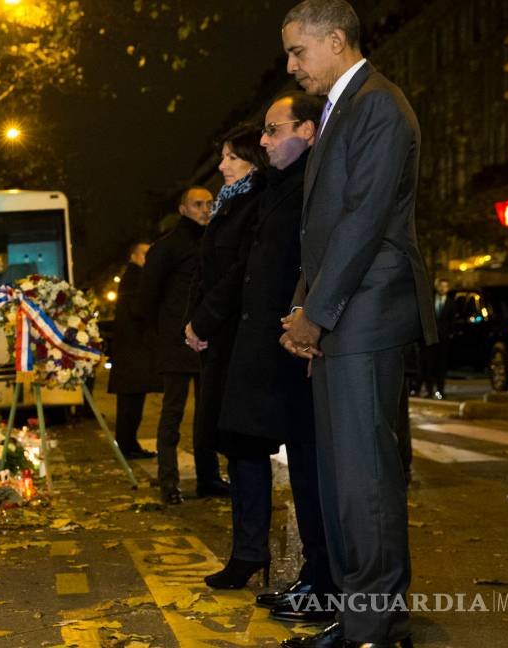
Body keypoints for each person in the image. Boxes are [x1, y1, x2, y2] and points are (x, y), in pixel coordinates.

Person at [278, 2, 437, 647]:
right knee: (342, 476)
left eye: (297, 52)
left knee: (365, 478)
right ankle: (360, 617)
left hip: (365, 314)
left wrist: (315, 314)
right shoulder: (347, 106)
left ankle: (375, 627)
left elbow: (363, 221)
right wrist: (303, 307)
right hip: (345, 313)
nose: (291, 66)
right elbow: (320, 229)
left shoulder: (377, 104)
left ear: (335, 41)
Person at [204, 94, 340, 620]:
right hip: (270, 349)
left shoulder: (313, 182)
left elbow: (316, 262)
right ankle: (312, 576)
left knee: (310, 471)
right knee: (293, 467)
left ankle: (324, 581)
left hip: (298, 346)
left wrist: (312, 322)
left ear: (306, 130)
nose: (262, 141)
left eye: (271, 130)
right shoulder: (276, 187)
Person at [185, 123, 269, 507]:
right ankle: (246, 546)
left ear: (255, 160)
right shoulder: (227, 203)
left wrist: (203, 320)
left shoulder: (255, 203)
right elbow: (205, 272)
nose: (222, 165)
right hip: (218, 333)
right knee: (229, 439)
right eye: (222, 156)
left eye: (232, 157)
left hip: (238, 334)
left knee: (243, 441)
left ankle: (251, 547)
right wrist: (194, 323)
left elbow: (239, 270)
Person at [138, 186, 215, 504]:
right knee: (173, 413)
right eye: (198, 204)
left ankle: (208, 478)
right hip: (175, 342)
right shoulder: (167, 247)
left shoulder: (213, 241)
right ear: (183, 209)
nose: (205, 209)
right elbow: (148, 297)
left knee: (207, 413)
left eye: (209, 203)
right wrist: (166, 332)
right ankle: (168, 481)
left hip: (207, 338)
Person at [107, 239, 159, 460]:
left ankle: (129, 444)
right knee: (131, 405)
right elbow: (140, 309)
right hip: (133, 353)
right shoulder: (136, 277)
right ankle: (128, 446)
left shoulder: (133, 277)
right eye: (146, 254)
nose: (149, 259)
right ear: (135, 256)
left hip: (131, 353)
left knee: (131, 403)